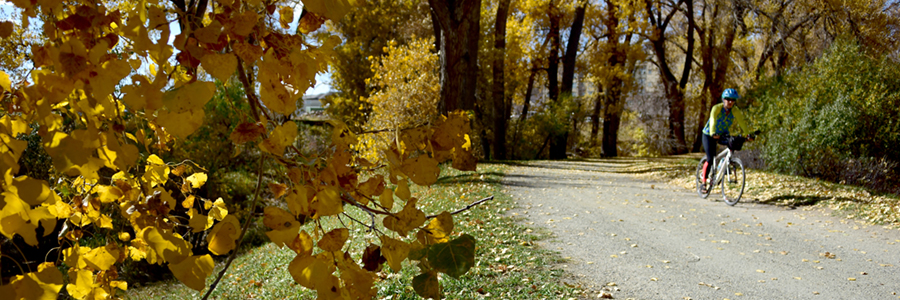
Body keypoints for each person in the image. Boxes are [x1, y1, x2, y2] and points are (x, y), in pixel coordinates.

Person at [701, 88, 753, 189]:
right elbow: (712, 120)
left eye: (733, 100)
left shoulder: (735, 111)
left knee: (732, 145)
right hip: (708, 134)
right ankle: (704, 182)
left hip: (723, 134)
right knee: (710, 158)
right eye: (727, 99)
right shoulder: (717, 108)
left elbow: (742, 123)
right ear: (723, 99)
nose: (730, 102)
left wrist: (748, 135)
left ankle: (722, 165)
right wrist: (712, 132)